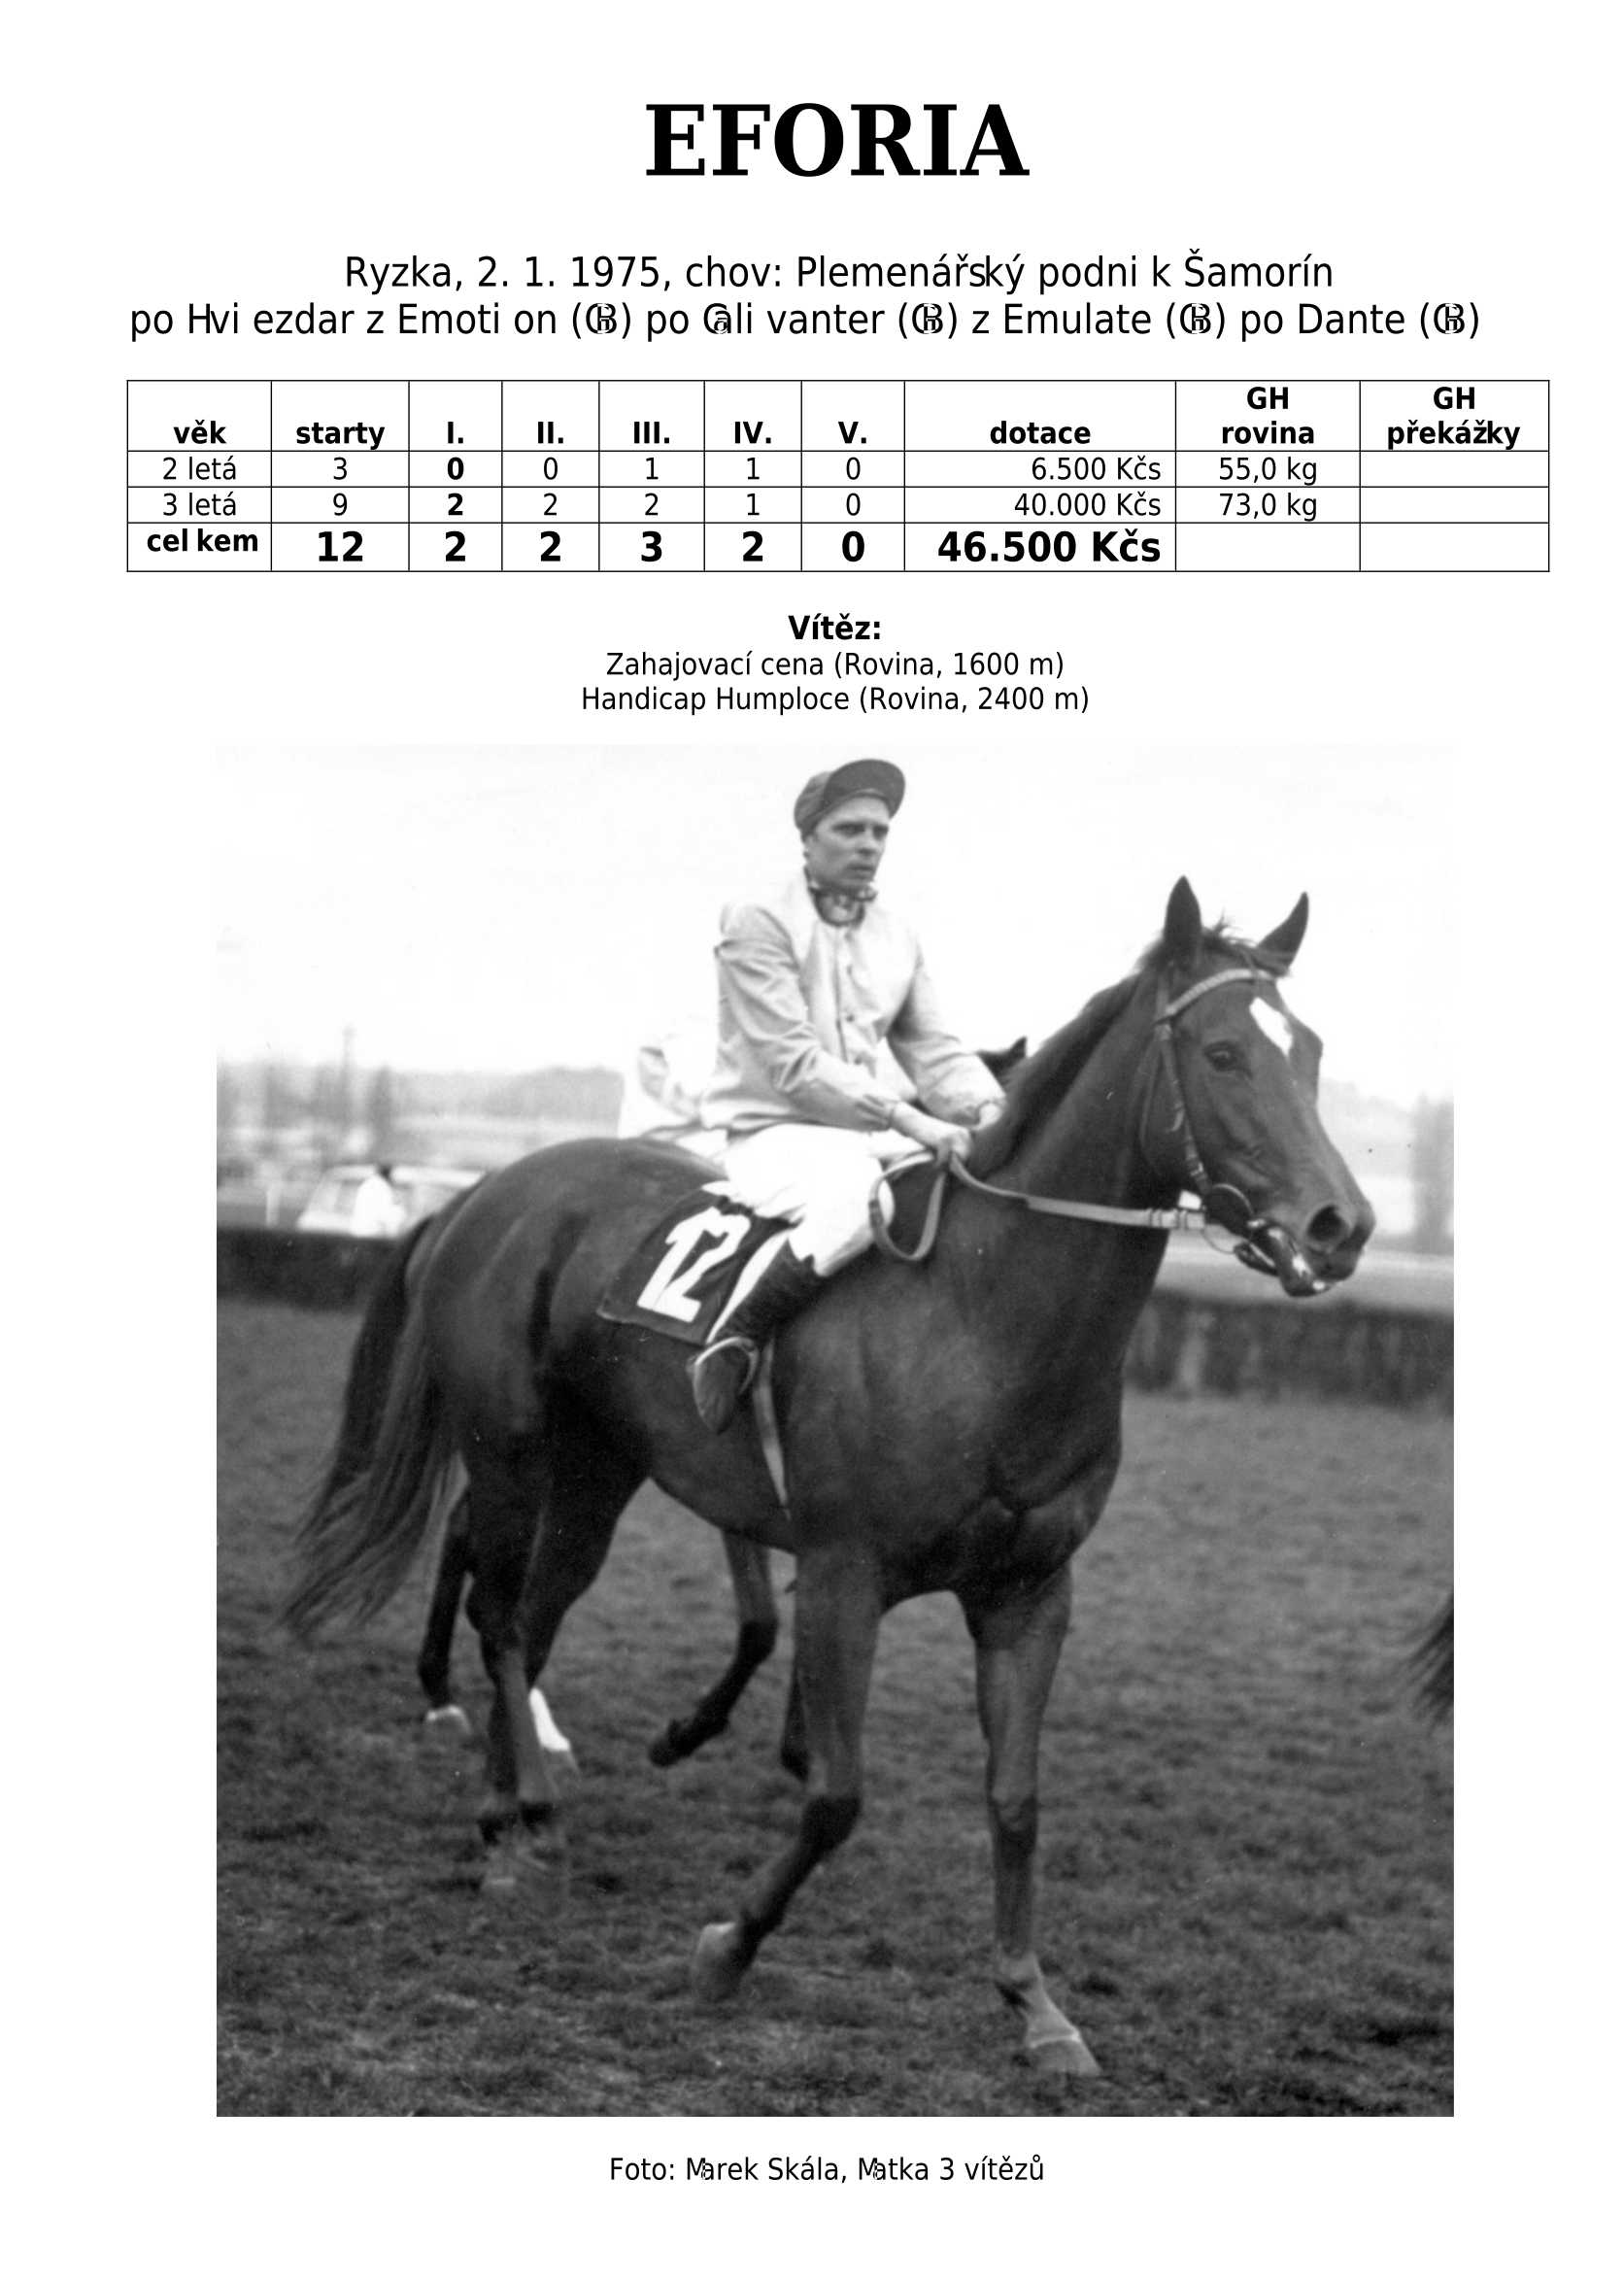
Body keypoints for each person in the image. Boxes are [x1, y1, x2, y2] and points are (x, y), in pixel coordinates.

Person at [689, 759, 1006, 1431]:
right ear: (808, 836)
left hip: (863, 1136)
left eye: (879, 832)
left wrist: (994, 1110)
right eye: (849, 829)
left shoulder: (899, 933)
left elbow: (934, 1049)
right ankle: (734, 1340)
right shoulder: (757, 919)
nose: (868, 844)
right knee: (865, 1203)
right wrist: (911, 1120)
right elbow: (794, 1064)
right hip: (772, 1135)